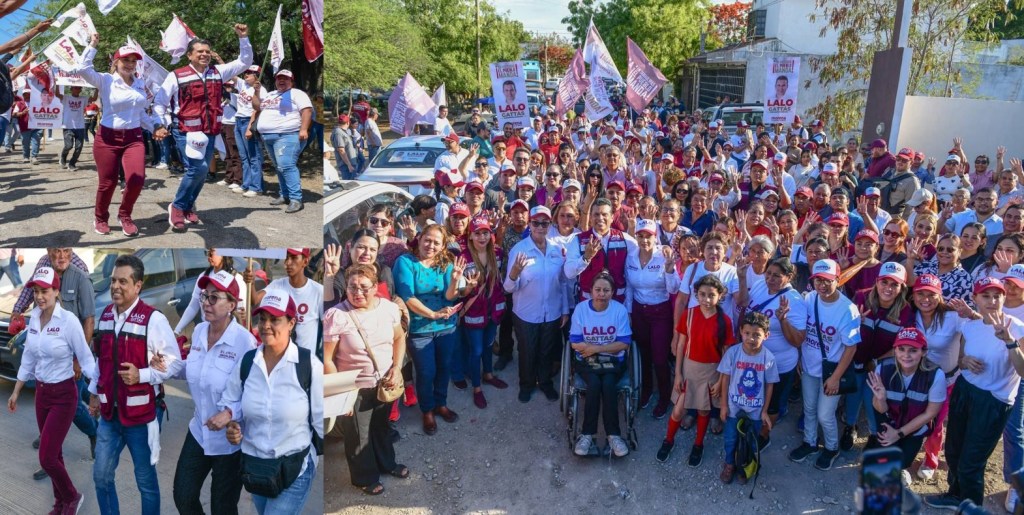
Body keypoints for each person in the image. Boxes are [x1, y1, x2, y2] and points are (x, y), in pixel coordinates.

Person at [149, 271, 256, 514]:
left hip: (230, 442)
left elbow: (255, 394)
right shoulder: (199, 332)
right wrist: (166, 367)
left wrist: (229, 413)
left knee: (222, 507)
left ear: (231, 304)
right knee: (183, 496)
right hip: (199, 431)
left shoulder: (245, 343)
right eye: (204, 297)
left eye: (214, 298)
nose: (206, 303)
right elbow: (195, 370)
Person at [210, 291, 324, 514]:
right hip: (256, 468)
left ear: (291, 323)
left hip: (294, 467)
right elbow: (231, 401)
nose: (266, 325)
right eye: (262, 319)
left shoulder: (307, 364)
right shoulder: (248, 362)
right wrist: (233, 425)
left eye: (275, 319)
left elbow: (321, 419)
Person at [88, 255, 184, 514]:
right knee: (101, 476)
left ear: (138, 285)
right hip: (110, 416)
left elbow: (174, 364)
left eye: (123, 281)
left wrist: (141, 375)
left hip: (142, 417)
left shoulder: (153, 320)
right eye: (113, 281)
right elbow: (102, 360)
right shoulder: (107, 315)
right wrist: (94, 394)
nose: (115, 287)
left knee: (146, 483)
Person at [924, 277, 1024, 510]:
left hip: (993, 401)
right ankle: (955, 494)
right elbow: (960, 361)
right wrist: (965, 361)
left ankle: (971, 506)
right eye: (985, 296)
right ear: (975, 298)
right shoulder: (970, 325)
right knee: (954, 450)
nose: (992, 301)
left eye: (996, 295)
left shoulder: (1017, 327)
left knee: (972, 461)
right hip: (965, 390)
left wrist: (1010, 342)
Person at [6, 267, 96, 515]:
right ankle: (60, 504)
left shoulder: (69, 322)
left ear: (57, 291)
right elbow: (29, 357)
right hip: (41, 394)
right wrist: (16, 390)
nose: (39, 296)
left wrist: (100, 393)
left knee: (46, 458)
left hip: (64, 395)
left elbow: (86, 359)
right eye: (36, 291)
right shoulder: (34, 317)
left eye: (45, 291)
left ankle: (72, 496)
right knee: (55, 454)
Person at [156, 25, 252, 231]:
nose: (205, 55)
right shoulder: (177, 75)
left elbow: (245, 61)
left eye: (207, 52)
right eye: (200, 51)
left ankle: (188, 205)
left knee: (200, 171)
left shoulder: (218, 72)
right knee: (197, 168)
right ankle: (178, 207)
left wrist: (243, 38)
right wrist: (161, 124)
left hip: (209, 131)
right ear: (189, 55)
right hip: (185, 131)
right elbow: (160, 101)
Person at [324, 264, 409, 495]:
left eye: (363, 287)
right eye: (352, 287)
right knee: (358, 436)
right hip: (353, 389)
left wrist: (397, 368)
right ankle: (364, 477)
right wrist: (340, 395)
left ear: (375, 288)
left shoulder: (389, 309)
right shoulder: (336, 316)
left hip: (384, 382)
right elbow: (328, 359)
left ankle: (387, 463)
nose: (357, 292)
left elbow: (399, 338)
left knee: (381, 427)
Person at [78, 33, 169, 237]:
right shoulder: (106, 80)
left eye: (133, 61)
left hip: (133, 138)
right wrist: (93, 44)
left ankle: (125, 215)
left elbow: (141, 114)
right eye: (125, 60)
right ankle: (100, 218)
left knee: (137, 179)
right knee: (107, 183)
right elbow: (83, 69)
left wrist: (155, 126)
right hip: (107, 138)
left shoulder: (140, 85)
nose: (129, 64)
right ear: (116, 62)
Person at [787, 259, 861, 471]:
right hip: (810, 366)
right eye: (818, 280)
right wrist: (800, 357)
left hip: (832, 371)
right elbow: (802, 330)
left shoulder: (848, 309)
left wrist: (836, 377)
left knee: (824, 414)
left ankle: (831, 447)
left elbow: (851, 348)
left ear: (838, 280)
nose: (822, 285)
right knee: (809, 408)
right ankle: (810, 443)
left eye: (828, 280)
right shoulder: (809, 298)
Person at [657, 274, 736, 466]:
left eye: (711, 295)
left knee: (703, 410)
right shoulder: (689, 314)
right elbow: (682, 345)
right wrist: (678, 373)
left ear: (720, 296)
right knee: (678, 411)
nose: (706, 299)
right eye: (702, 294)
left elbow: (727, 355)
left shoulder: (724, 320)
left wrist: (720, 381)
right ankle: (669, 440)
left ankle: (698, 444)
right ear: (696, 295)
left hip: (712, 371)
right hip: (689, 368)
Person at [393, 224, 463, 435]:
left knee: (444, 367)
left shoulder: (446, 263)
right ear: (420, 238)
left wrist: (454, 281)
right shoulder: (405, 262)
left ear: (442, 247)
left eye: (436, 243)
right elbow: (408, 296)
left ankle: (441, 403)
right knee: (425, 371)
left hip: (446, 326)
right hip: (419, 327)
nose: (430, 245)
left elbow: (450, 296)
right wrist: (432, 314)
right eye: (427, 240)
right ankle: (427, 410)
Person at [842, 262, 914, 452]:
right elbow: (845, 326)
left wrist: (877, 361)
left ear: (902, 288)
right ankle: (850, 426)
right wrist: (855, 323)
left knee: (872, 397)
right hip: (856, 358)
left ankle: (874, 434)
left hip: (884, 363)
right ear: (876, 281)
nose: (888, 288)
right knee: (853, 392)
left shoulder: (906, 312)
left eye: (894, 284)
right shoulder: (860, 296)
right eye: (884, 282)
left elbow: (903, 344)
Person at [865, 326, 946, 486]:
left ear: (923, 352)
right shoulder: (883, 368)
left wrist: (899, 434)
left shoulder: (936, 375)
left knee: (904, 459)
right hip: (889, 422)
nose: (906, 355)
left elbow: (930, 413)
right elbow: (880, 409)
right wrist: (880, 398)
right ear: (894, 350)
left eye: (913, 350)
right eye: (901, 349)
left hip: (915, 427)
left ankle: (901, 467)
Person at [506, 206, 569, 403]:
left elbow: (563, 283)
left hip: (551, 311)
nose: (540, 227)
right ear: (530, 224)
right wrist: (514, 272)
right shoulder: (519, 249)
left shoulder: (557, 250)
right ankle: (526, 384)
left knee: (546, 350)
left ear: (550, 225)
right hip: (526, 312)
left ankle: (545, 382)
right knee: (527, 350)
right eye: (536, 223)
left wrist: (565, 309)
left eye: (545, 223)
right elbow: (508, 287)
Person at [570, 272, 633, 457]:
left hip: (613, 361)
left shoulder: (619, 310)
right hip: (587, 361)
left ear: (612, 292)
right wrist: (597, 349)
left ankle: (613, 436)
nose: (601, 294)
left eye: (606, 290)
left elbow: (624, 343)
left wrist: (595, 348)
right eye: (598, 290)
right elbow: (575, 342)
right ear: (590, 291)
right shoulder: (581, 310)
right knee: (595, 384)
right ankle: (587, 435)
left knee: (607, 384)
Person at [747, 257, 806, 447]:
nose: (770, 279)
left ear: (788, 277)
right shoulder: (759, 285)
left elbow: (797, 340)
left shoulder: (795, 300)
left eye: (777, 276)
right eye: (768, 273)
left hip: (779, 364)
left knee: (772, 404)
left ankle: (763, 436)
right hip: (753, 359)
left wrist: (783, 320)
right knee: (754, 396)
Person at [717, 312, 779, 484]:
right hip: (733, 407)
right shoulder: (732, 353)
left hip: (756, 410)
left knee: (752, 440)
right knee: (730, 438)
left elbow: (769, 385)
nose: (751, 338)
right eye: (747, 333)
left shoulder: (769, 358)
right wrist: (723, 405)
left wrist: (765, 411)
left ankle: (745, 465)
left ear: (766, 336)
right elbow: (726, 379)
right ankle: (729, 463)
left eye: (757, 335)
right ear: (741, 332)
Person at [626, 219, 680, 418]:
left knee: (659, 357)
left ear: (655, 237)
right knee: (644, 355)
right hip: (639, 310)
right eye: (640, 235)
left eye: (648, 235)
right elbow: (630, 287)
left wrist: (669, 269)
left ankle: (665, 397)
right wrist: (629, 312)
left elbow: (673, 288)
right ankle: (647, 390)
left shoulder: (663, 256)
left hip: (660, 312)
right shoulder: (631, 256)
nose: (644, 239)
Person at [457, 216, 510, 408]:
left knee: (488, 345)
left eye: (485, 232)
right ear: (470, 236)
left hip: (493, 310)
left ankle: (488, 374)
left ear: (491, 234)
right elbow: (459, 292)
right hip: (474, 312)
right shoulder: (462, 258)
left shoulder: (497, 253)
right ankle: (477, 388)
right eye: (477, 233)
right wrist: (469, 288)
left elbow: (500, 282)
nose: (482, 237)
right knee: (476, 350)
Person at [250, 69, 313, 214]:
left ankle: (296, 199)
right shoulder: (271, 94)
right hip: (268, 136)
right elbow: (256, 106)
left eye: (285, 78)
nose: (282, 81)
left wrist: (303, 129)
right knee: (279, 167)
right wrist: (256, 92)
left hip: (287, 135)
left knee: (286, 165)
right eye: (279, 78)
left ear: (292, 81)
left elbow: (307, 110)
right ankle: (284, 195)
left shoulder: (297, 93)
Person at [245, 249, 322, 356]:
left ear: (305, 261)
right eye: (287, 258)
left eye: (294, 258)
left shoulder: (318, 291)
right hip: (279, 356)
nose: (288, 263)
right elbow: (255, 300)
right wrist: (251, 283)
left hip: (304, 360)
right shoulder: (277, 285)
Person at [174, 249, 246, 337]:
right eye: (207, 253)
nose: (208, 256)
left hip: (227, 333)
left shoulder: (236, 279)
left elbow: (240, 312)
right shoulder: (204, 276)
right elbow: (193, 305)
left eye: (212, 253)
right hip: (206, 332)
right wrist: (177, 330)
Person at [234, 65, 266, 196]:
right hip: (238, 120)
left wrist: (249, 128)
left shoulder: (261, 91)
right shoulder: (243, 85)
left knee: (254, 156)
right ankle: (246, 184)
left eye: (250, 73)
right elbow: (231, 72)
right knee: (243, 156)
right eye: (246, 72)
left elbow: (257, 110)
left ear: (257, 76)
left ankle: (256, 187)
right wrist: (218, 59)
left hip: (249, 121)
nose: (246, 75)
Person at [55, 85, 93, 171]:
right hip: (68, 126)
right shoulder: (66, 97)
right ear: (71, 89)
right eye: (75, 88)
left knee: (79, 147)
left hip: (80, 126)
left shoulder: (83, 98)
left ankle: (72, 163)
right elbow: (57, 94)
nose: (77, 89)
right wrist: (57, 84)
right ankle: (63, 157)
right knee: (69, 146)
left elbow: (93, 98)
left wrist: (97, 88)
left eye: (79, 88)